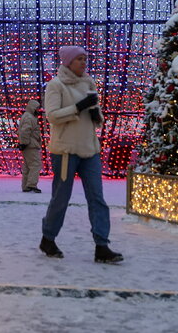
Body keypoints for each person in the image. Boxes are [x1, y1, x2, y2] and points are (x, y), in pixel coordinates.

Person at [39, 46, 123, 263]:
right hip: (66, 151)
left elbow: (96, 115)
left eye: (85, 58)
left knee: (97, 198)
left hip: (90, 150)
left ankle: (102, 245)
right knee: (61, 198)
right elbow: (52, 116)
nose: (84, 62)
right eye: (79, 59)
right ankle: (48, 237)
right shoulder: (55, 85)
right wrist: (77, 108)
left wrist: (97, 115)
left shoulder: (89, 83)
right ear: (68, 62)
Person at [17, 99, 44, 193]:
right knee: (35, 164)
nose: (38, 110)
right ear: (33, 108)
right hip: (30, 145)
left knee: (28, 166)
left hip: (28, 144)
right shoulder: (30, 117)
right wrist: (24, 143)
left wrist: (23, 143)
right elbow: (25, 131)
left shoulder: (27, 116)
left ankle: (26, 186)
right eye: (37, 108)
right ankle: (31, 185)